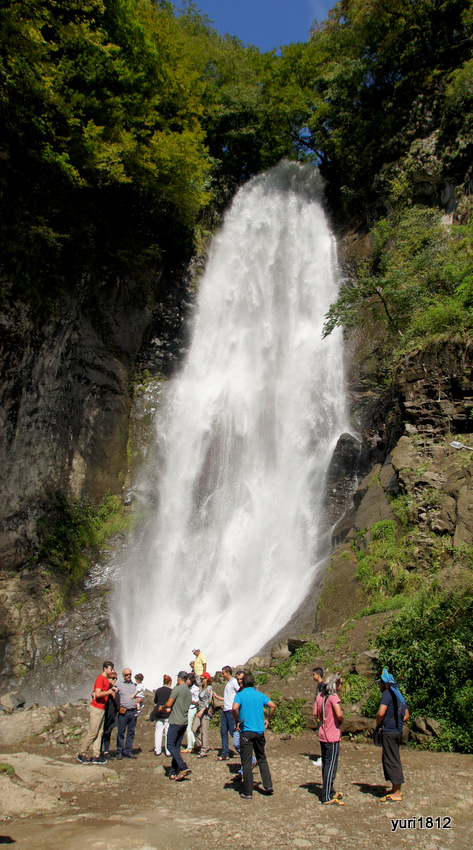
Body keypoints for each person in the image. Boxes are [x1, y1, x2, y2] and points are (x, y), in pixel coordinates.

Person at [232, 672, 275, 801]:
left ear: (243, 683)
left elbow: (234, 708)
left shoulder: (240, 695)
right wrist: (268, 719)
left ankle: (248, 791)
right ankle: (268, 786)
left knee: (246, 761)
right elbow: (272, 705)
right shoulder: (259, 695)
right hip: (259, 732)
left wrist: (237, 721)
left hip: (246, 732)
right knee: (262, 758)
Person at [375, 668, 409, 803]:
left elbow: (381, 713)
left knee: (391, 760)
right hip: (397, 731)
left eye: (380, 684)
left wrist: (378, 724)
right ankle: (395, 788)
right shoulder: (398, 695)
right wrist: (397, 722)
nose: (379, 686)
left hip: (389, 731)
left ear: (385, 684)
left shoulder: (387, 694)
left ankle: (397, 792)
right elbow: (406, 715)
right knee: (393, 757)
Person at [77, 660, 117, 765]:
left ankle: (96, 755)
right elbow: (97, 694)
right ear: (105, 669)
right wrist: (109, 692)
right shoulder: (100, 679)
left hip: (102, 709)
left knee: (99, 733)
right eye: (111, 669)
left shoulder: (105, 680)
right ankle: (82, 753)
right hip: (96, 709)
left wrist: (111, 689)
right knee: (93, 733)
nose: (112, 671)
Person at [313, 672, 344, 805]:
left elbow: (314, 713)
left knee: (326, 764)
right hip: (332, 735)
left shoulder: (320, 696)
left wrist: (322, 718)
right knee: (331, 765)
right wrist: (339, 721)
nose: (341, 685)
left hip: (322, 734)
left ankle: (329, 790)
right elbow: (339, 714)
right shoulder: (333, 697)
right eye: (339, 683)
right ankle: (326, 796)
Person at [164, 671, 192, 781]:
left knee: (170, 746)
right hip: (184, 722)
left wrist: (163, 707)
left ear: (179, 679)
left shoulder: (177, 689)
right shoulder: (188, 691)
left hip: (176, 721)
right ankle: (172, 772)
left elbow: (169, 703)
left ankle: (183, 766)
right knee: (176, 747)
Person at [213, 665, 239, 760]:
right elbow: (228, 698)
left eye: (223, 673)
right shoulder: (228, 683)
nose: (222, 675)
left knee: (233, 732)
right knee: (223, 732)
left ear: (228, 673)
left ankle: (243, 749)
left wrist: (237, 706)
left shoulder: (234, 682)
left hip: (231, 711)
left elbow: (239, 693)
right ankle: (225, 753)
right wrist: (217, 697)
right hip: (225, 710)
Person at [115, 668, 139, 760]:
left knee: (131, 732)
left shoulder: (135, 685)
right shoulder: (119, 685)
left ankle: (128, 751)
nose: (128, 676)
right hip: (123, 712)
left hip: (133, 711)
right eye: (126, 675)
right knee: (121, 732)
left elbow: (139, 696)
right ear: (123, 676)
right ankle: (119, 751)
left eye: (130, 674)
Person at [192, 671, 214, 758]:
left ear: (207, 679)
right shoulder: (202, 688)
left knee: (204, 731)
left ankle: (203, 750)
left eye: (203, 678)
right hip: (200, 712)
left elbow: (208, 702)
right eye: (200, 678)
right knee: (194, 729)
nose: (201, 680)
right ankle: (204, 745)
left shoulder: (209, 689)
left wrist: (202, 711)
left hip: (205, 713)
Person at [101, 669, 120, 758]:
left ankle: (106, 751)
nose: (114, 680)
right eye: (112, 678)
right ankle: (98, 751)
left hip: (112, 714)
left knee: (108, 732)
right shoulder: (105, 688)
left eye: (115, 678)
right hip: (105, 713)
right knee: (102, 733)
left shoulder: (115, 690)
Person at [153, 675, 172, 756]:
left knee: (158, 731)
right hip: (167, 713)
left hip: (159, 713)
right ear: (170, 682)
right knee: (168, 732)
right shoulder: (171, 691)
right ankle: (168, 751)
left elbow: (155, 701)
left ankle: (157, 750)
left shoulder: (158, 690)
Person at [311, 667, 324, 767]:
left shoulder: (321, 686)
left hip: (321, 715)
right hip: (320, 714)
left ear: (318, 675)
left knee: (322, 736)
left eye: (314, 674)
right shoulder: (321, 685)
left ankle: (323, 758)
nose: (313, 676)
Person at [183, 674, 199, 752]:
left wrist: (190, 700)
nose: (187, 681)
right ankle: (194, 743)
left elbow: (197, 700)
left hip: (192, 708)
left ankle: (189, 747)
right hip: (187, 708)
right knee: (188, 727)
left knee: (188, 728)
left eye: (188, 680)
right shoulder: (186, 688)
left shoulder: (195, 688)